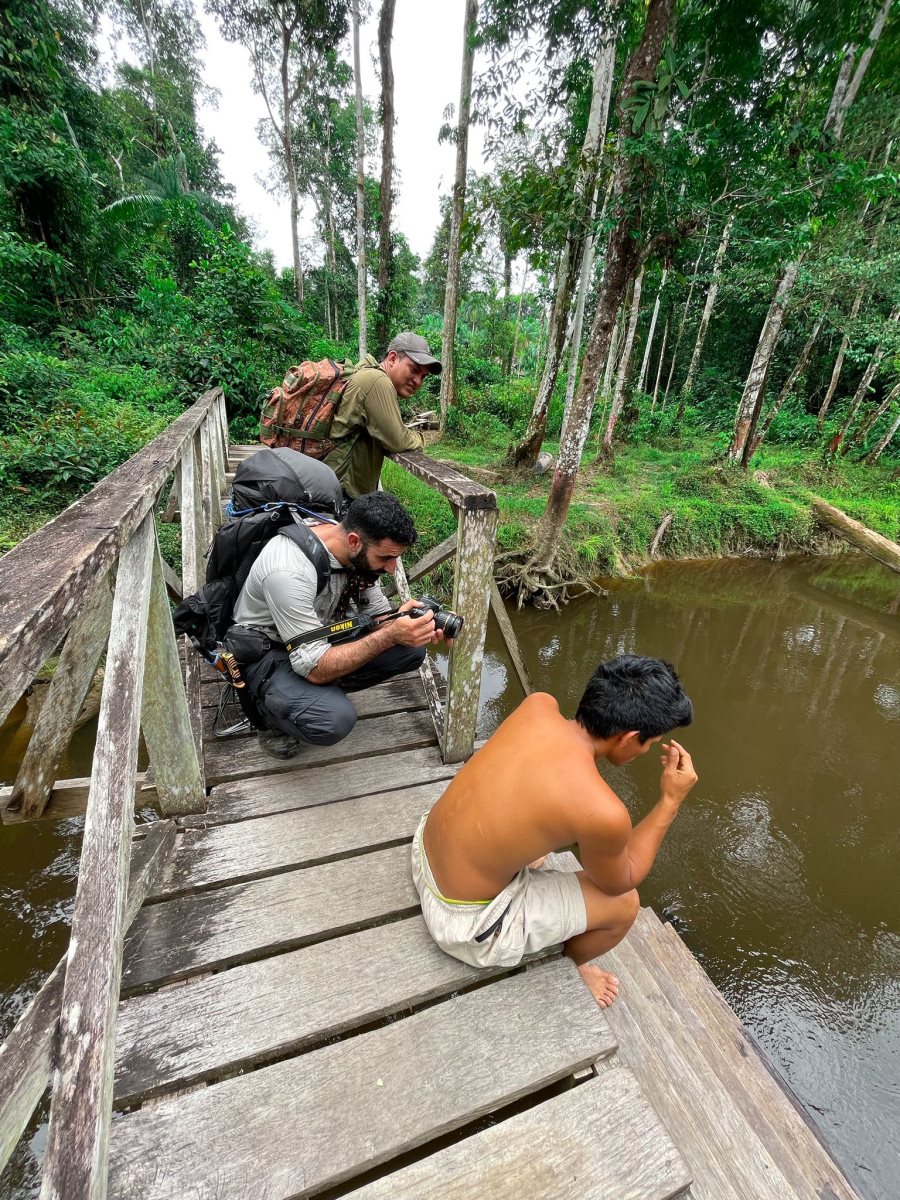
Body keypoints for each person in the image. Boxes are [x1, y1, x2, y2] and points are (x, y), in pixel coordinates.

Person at [412, 655, 697, 1007]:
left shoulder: (538, 705)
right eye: (651, 742)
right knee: (625, 906)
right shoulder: (603, 812)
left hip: (424, 849)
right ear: (629, 738)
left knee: (538, 842)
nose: (650, 749)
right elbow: (621, 880)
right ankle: (567, 969)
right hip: (463, 924)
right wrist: (670, 800)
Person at [230, 491, 449, 759]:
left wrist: (406, 622)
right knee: (334, 719)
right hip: (266, 650)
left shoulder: (355, 549)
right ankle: (266, 715)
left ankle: (307, 695)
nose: (392, 569)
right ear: (355, 541)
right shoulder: (288, 569)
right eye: (385, 558)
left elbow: (377, 616)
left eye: (396, 559)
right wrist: (390, 635)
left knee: (410, 650)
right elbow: (314, 668)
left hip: (317, 635)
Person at [324, 332, 441, 498]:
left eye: (423, 377)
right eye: (414, 370)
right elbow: (398, 440)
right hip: (340, 492)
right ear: (392, 358)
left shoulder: (366, 372)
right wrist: (420, 438)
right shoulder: (377, 380)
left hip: (332, 482)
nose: (418, 382)